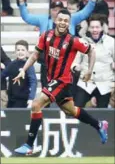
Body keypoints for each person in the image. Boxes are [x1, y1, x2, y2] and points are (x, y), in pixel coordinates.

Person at [13, 9, 108, 155]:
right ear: (56, 21)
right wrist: (23, 70)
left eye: (66, 21)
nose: (63, 23)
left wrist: (89, 71)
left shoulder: (73, 40)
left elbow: (91, 51)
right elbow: (35, 55)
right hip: (53, 80)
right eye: (61, 20)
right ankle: (99, 124)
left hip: (62, 81)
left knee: (36, 104)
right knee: (71, 110)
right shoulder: (46, 36)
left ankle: (29, 145)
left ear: (68, 24)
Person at [18, 0, 99, 90]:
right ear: (50, 10)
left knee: (66, 94)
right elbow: (27, 17)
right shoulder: (43, 19)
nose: (56, 12)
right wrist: (22, 3)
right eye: (54, 9)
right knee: (45, 90)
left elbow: (85, 13)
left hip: (67, 63)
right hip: (47, 62)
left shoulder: (71, 18)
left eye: (59, 9)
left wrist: (93, 0)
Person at [71, 14, 115, 108]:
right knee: (76, 109)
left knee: (102, 113)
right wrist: (75, 67)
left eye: (97, 27)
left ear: (102, 28)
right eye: (92, 27)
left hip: (105, 84)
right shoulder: (82, 41)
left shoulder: (111, 42)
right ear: (88, 29)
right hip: (85, 82)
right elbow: (74, 61)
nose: (95, 30)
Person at [1, 40, 37, 108]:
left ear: (27, 52)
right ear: (15, 52)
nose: (20, 52)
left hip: (24, 100)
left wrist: (31, 98)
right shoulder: (12, 64)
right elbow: (2, 75)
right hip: (11, 100)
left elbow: (33, 82)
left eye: (23, 50)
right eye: (18, 50)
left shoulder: (29, 66)